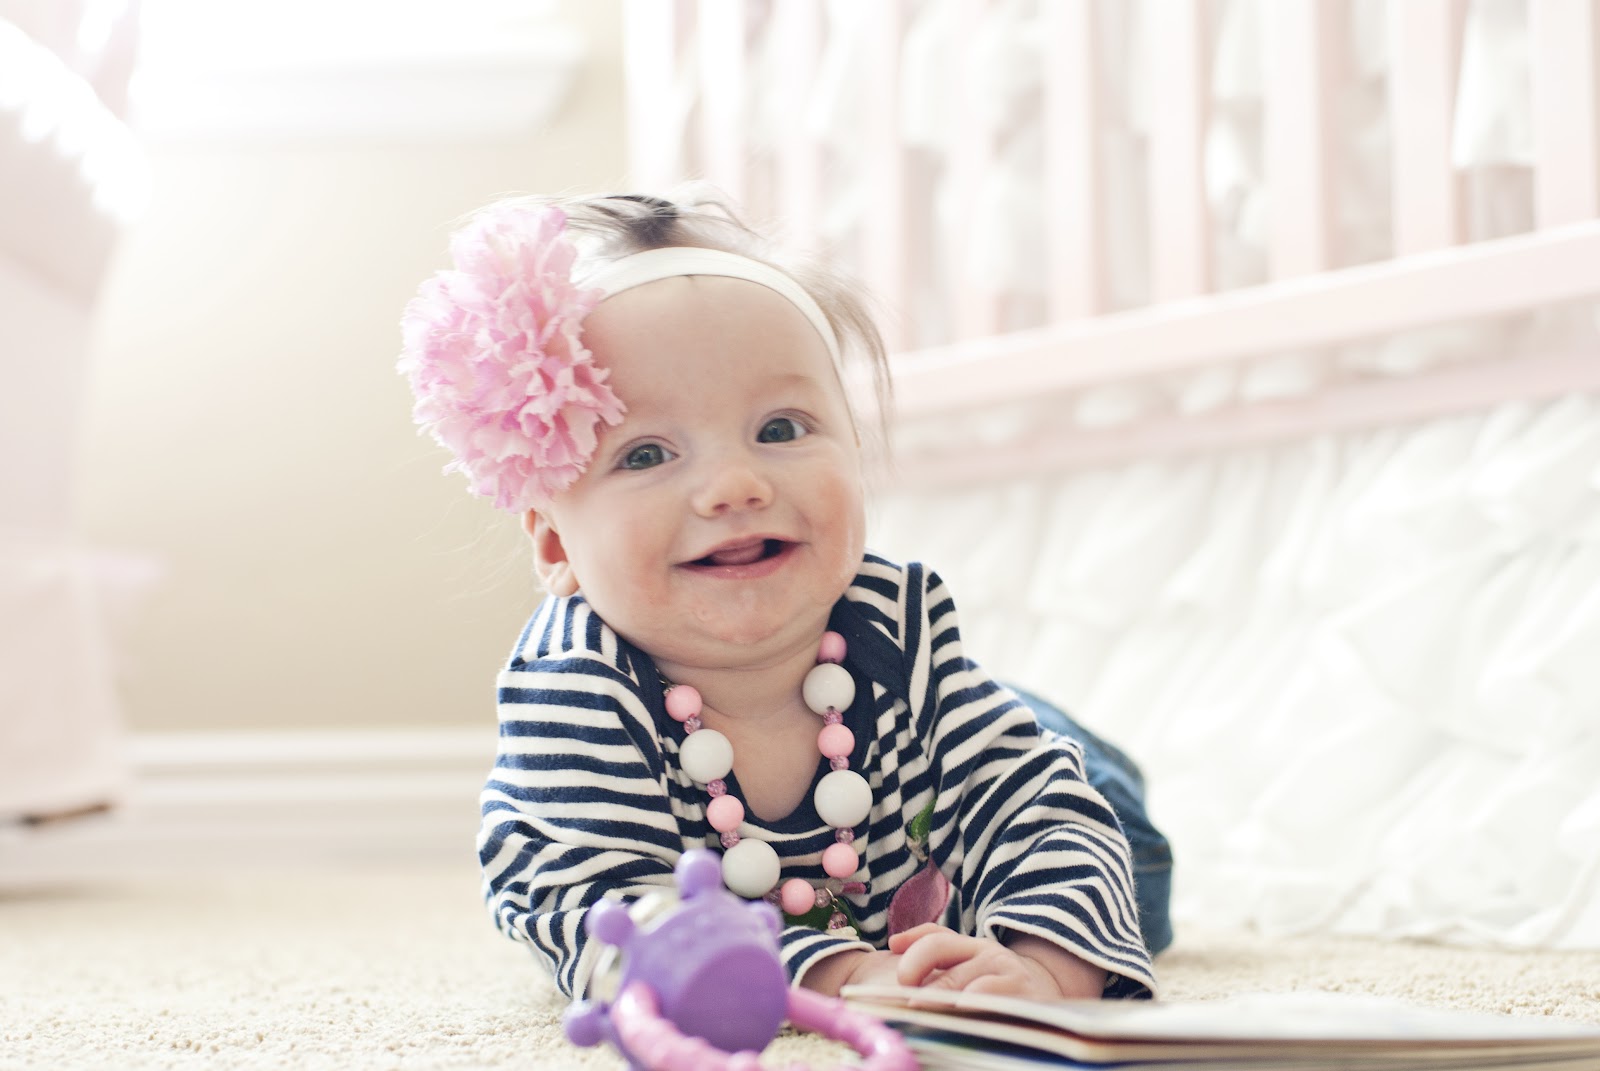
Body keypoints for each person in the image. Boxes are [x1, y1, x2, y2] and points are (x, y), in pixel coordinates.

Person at [398, 191, 1170, 1005]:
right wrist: (839, 973)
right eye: (647, 453)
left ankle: (1047, 731)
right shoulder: (578, 690)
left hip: (971, 758)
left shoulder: (895, 630)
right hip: (888, 836)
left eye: (780, 429)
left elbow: (1041, 814)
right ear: (557, 546)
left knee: (1130, 861)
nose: (735, 484)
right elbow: (598, 911)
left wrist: (1046, 967)